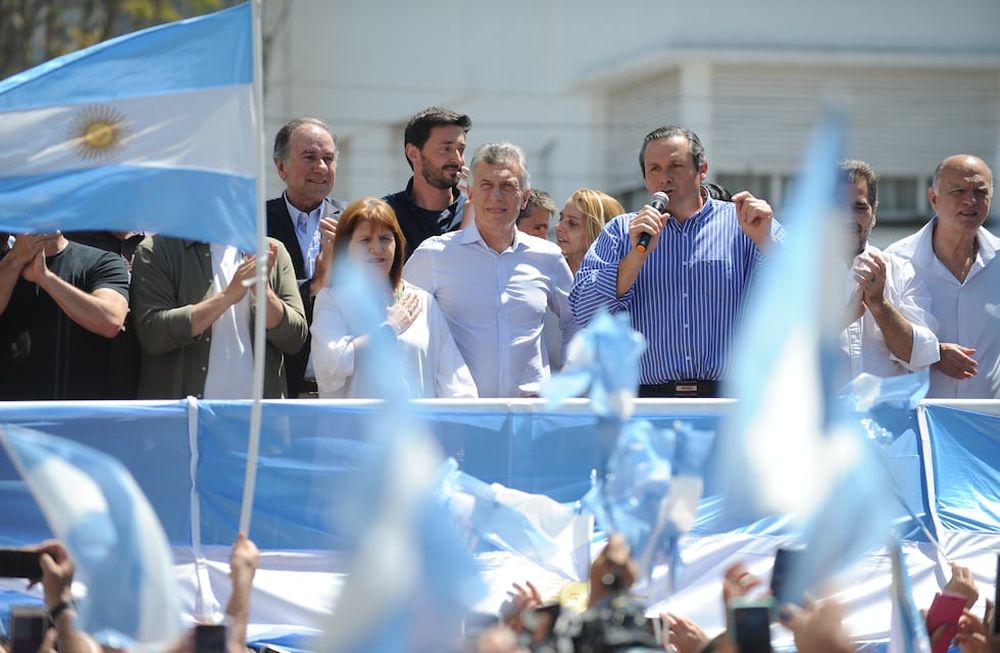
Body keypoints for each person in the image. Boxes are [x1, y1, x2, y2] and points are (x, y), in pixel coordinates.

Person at [569, 125, 782, 398]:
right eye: (654, 169)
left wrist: (766, 242)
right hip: (645, 405)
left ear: (702, 170)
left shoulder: (745, 223)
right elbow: (584, 312)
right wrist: (635, 257)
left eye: (676, 166)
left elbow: (797, 293)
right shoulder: (621, 232)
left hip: (727, 403)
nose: (664, 178)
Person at [404, 142, 577, 398]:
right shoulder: (434, 255)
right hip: (461, 416)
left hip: (530, 415)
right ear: (471, 193)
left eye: (508, 186)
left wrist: (567, 380)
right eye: (486, 186)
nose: (496, 196)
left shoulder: (547, 257)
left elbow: (576, 319)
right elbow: (399, 319)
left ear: (525, 197)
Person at [311, 197, 477, 398]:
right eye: (365, 240)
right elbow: (329, 366)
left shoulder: (422, 302)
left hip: (415, 428)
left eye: (385, 239)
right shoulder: (332, 300)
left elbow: (455, 383)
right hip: (353, 428)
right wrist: (388, 329)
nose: (376, 248)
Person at [130, 235, 307, 399]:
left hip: (259, 422)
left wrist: (264, 293)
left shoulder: (272, 250)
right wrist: (227, 297)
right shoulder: (157, 249)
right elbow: (153, 334)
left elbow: (295, 338)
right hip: (184, 421)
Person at [886, 154, 999, 398]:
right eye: (958, 191)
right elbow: (878, 344)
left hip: (989, 425)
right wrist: (932, 353)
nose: (970, 200)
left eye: (980, 192)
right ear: (933, 198)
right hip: (921, 426)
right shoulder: (896, 260)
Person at [838, 160, 939, 380]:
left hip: (886, 413)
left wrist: (880, 305)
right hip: (823, 413)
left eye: (860, 207)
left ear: (874, 212)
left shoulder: (902, 271)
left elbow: (922, 359)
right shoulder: (799, 275)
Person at [266, 117, 346, 398]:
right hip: (280, 383)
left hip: (344, 385)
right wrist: (316, 282)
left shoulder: (356, 222)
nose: (321, 168)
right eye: (309, 157)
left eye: (328, 158)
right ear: (281, 167)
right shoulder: (255, 224)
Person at [0, 232, 129, 400]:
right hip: (9, 414)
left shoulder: (103, 261)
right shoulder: (6, 264)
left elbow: (111, 321)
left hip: (78, 413)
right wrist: (16, 259)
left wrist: (45, 278)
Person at [384, 107, 472, 260]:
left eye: (461, 149)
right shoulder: (385, 216)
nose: (457, 159)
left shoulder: (476, 215)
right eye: (446, 149)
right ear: (413, 153)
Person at [555, 188, 625, 276]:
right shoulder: (546, 271)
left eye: (572, 223)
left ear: (599, 232)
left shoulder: (620, 280)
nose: (558, 227)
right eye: (561, 218)